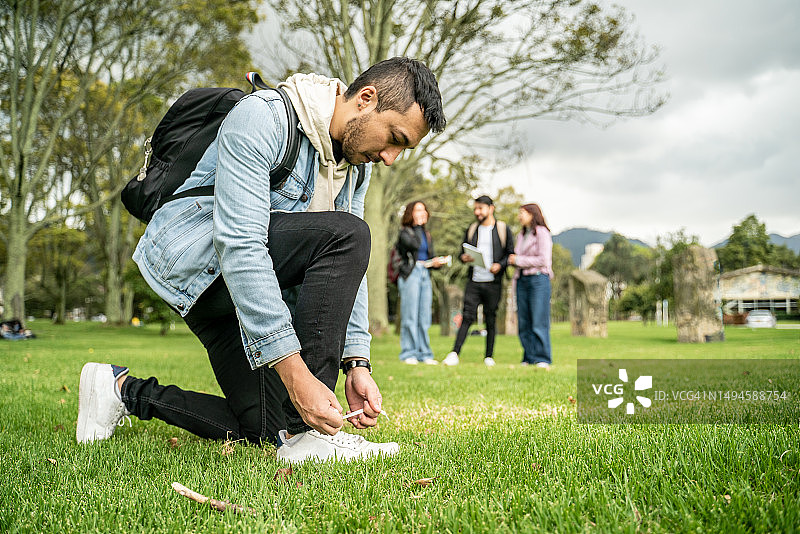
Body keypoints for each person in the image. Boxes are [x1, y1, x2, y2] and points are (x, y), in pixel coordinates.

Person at [76, 57, 446, 464]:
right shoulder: (263, 117)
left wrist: (356, 362)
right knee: (350, 233)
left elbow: (350, 272)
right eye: (394, 137)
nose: (391, 157)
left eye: (403, 149)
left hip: (245, 291)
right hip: (197, 267)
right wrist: (295, 372)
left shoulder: (356, 168)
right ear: (366, 99)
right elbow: (241, 244)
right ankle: (308, 437)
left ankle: (120, 390)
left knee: (270, 428)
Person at [442, 195, 514, 367]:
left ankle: (489, 356)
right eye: (475, 209)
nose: (477, 212)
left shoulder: (503, 229)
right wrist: (464, 257)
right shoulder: (472, 229)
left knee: (491, 317)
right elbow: (462, 252)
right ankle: (454, 353)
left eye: (481, 208)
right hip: (474, 280)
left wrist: (499, 265)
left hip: (493, 282)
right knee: (467, 316)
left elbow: (510, 254)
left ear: (491, 208)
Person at [395, 201, 444, 365]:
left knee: (424, 317)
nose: (422, 213)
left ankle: (425, 353)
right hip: (411, 274)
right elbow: (413, 245)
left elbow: (429, 255)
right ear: (410, 213)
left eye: (423, 210)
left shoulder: (427, 234)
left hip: (425, 273)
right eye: (418, 210)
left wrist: (436, 262)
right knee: (410, 316)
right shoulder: (405, 232)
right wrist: (417, 226)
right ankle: (409, 353)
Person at [509, 203, 553, 369]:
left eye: (523, 213)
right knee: (524, 321)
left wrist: (519, 260)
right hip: (522, 280)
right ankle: (529, 355)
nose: (520, 216)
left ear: (532, 214)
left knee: (538, 319)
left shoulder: (541, 233)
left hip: (538, 280)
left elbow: (544, 259)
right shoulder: (522, 234)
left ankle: (543, 357)